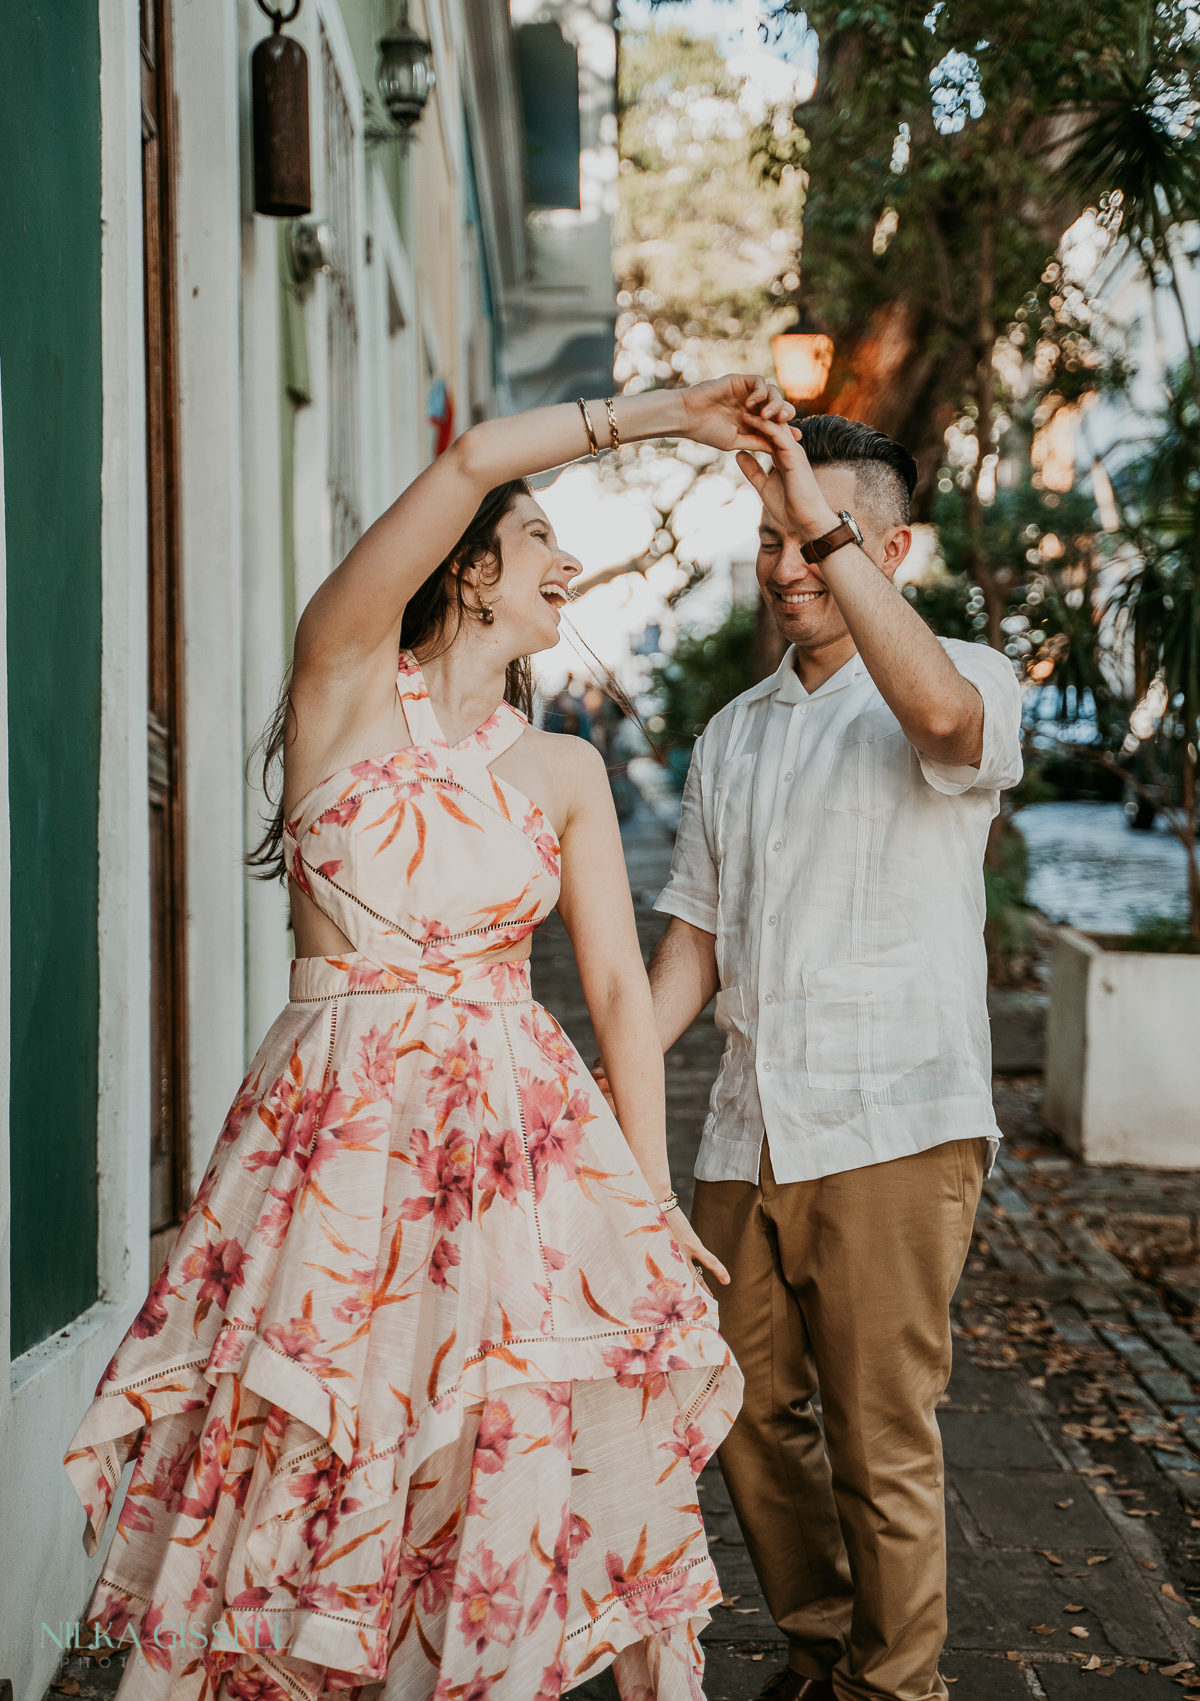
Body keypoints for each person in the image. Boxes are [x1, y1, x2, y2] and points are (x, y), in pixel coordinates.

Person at [61, 380, 799, 1701]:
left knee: (488, 1445)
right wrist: (666, 414)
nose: (569, 563)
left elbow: (621, 997)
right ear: (468, 571)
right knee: (312, 1441)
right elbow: (469, 459)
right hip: (331, 1150)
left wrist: (644, 1191)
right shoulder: (343, 683)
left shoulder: (564, 771)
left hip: (511, 1154)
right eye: (539, 544)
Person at [610, 412, 1023, 1701]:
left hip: (895, 1123)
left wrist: (820, 522)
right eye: (770, 542)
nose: (788, 566)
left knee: (878, 1435)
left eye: (817, 539)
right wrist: (587, 1057)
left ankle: (895, 1687)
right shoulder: (731, 731)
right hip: (746, 1134)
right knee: (734, 1407)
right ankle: (821, 1643)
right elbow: (693, 943)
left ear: (884, 546)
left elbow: (947, 722)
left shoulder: (964, 672)